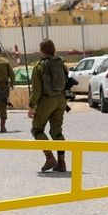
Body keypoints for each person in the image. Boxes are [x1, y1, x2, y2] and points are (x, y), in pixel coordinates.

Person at [28, 39, 68, 172]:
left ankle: (49, 157)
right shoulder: (61, 63)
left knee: (37, 130)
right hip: (61, 100)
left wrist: (31, 106)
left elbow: (36, 90)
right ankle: (62, 163)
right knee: (57, 131)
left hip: (46, 101)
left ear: (42, 51)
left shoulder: (39, 66)